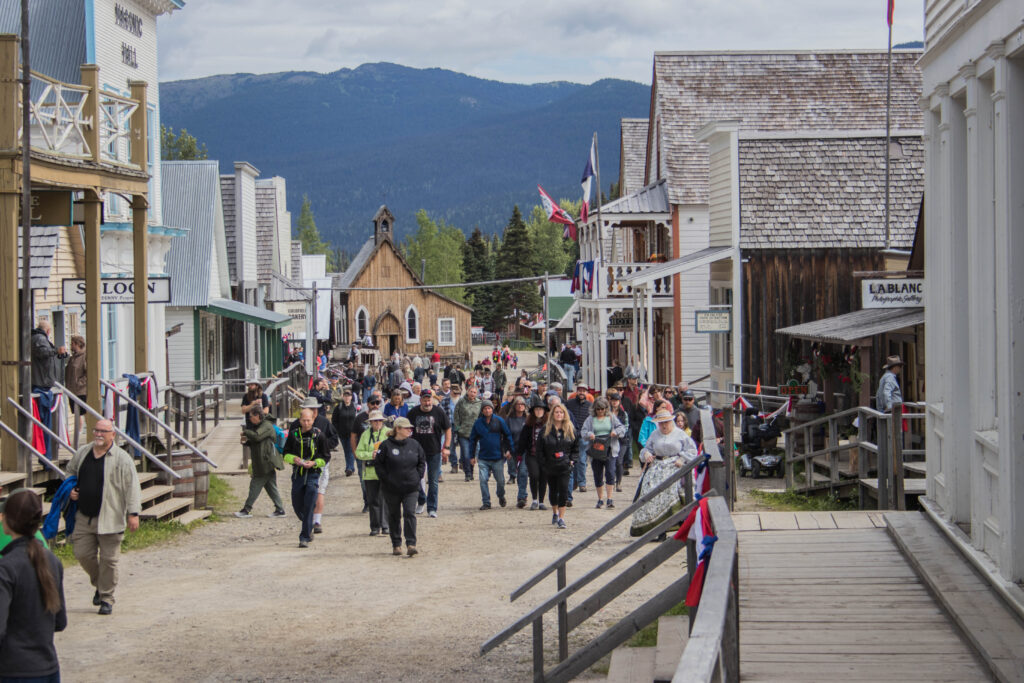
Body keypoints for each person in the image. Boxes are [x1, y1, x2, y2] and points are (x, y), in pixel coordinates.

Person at [67, 418, 141, 614]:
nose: (98, 434)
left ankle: (106, 598)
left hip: (111, 517)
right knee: (82, 554)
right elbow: (70, 473)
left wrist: (133, 514)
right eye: (96, 430)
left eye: (103, 431)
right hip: (84, 516)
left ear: (113, 435)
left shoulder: (122, 459)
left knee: (109, 560)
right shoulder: (83, 453)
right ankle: (100, 586)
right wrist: (71, 490)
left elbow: (132, 487)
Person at [0, 489, 66, 680]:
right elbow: (60, 622)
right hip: (49, 669)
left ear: (9, 521)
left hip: (14, 671)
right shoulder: (52, 560)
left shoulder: (6, 567)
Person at [630, 407, 699, 538]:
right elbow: (645, 449)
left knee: (672, 490)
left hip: (675, 466)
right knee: (648, 490)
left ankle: (676, 523)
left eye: (666, 422)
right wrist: (647, 454)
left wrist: (682, 458)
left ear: (671, 421)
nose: (663, 425)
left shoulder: (680, 434)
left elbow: (692, 450)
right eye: (661, 423)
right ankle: (656, 528)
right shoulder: (655, 434)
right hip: (658, 467)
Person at [373, 417, 426, 556]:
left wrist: (417, 477)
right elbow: (378, 464)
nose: (410, 430)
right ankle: (396, 544)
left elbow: (422, 462)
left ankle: (411, 544)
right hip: (392, 488)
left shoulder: (415, 444)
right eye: (406, 428)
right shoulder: (385, 445)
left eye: (410, 428)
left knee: (409, 513)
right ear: (397, 429)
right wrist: (386, 479)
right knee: (394, 515)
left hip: (411, 487)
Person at [289, 398, 338, 535]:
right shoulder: (295, 425)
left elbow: (334, 439)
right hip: (300, 466)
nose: (314, 411)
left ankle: (316, 521)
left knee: (318, 491)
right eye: (311, 409)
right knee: (299, 494)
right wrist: (294, 458)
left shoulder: (323, 422)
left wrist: (321, 449)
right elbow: (288, 447)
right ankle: (307, 519)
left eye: (315, 409)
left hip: (319, 463)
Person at [283, 408, 330, 548]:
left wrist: (314, 463)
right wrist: (294, 459)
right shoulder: (293, 435)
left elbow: (326, 456)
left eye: (309, 420)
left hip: (313, 474)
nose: (306, 422)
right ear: (299, 420)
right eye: (304, 420)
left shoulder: (319, 436)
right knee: (297, 504)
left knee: (309, 505)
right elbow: (285, 453)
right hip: (298, 473)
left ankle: (304, 537)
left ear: (313, 420)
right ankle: (308, 526)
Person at [407, 389, 451, 518]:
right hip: (416, 451)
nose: (427, 402)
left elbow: (448, 429)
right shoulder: (413, 413)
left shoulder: (438, 412)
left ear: (432, 399)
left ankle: (432, 508)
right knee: (415, 479)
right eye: (425, 399)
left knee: (433, 481)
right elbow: (406, 430)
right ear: (420, 400)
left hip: (434, 451)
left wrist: (446, 447)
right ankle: (421, 500)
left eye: (429, 399)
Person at [235, 410, 286, 518]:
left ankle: (246, 509)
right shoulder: (261, 425)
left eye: (251, 416)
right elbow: (258, 441)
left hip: (266, 462)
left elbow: (257, 436)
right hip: (264, 461)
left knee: (255, 485)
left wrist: (246, 432)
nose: (250, 418)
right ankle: (280, 509)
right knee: (271, 487)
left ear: (257, 415)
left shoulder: (266, 425)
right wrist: (247, 442)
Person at [580, 397, 627, 509]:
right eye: (598, 409)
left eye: (602, 409)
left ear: (606, 408)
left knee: (610, 472)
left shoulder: (611, 417)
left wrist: (615, 432)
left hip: (610, 448)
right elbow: (583, 431)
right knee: (597, 474)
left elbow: (622, 428)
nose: (600, 411)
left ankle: (609, 498)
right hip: (596, 449)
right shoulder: (590, 419)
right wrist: (590, 434)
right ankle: (600, 498)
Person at [539, 404, 578, 528]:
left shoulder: (570, 429)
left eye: (561, 412)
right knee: (553, 491)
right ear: (552, 414)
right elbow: (540, 450)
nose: (559, 414)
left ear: (564, 414)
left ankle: (561, 518)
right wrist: (544, 464)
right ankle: (555, 512)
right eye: (556, 412)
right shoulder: (545, 430)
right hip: (550, 466)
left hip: (564, 466)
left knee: (563, 490)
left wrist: (572, 460)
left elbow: (576, 448)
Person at [470, 401, 513, 510]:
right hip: (483, 457)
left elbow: (508, 435)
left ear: (492, 409)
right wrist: (471, 456)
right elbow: (472, 440)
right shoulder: (478, 423)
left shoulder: (499, 421)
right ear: (482, 410)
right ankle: (486, 502)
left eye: (489, 408)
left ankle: (500, 495)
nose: (487, 410)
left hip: (497, 457)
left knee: (501, 481)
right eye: (485, 408)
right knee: (483, 480)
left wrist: (509, 450)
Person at [355, 411, 389, 536]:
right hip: (370, 472)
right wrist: (371, 455)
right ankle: (375, 527)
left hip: (386, 472)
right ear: (370, 422)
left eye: (379, 420)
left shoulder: (388, 433)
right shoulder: (365, 435)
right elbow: (358, 453)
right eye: (375, 421)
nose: (377, 423)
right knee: (373, 500)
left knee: (386, 500)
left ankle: (386, 526)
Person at [351, 393, 385, 512]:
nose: (375, 405)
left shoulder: (383, 418)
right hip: (364, 454)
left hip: (382, 458)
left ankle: (380, 504)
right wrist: (355, 452)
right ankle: (367, 502)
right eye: (373, 403)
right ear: (368, 404)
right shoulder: (359, 418)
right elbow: (353, 436)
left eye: (377, 403)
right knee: (364, 480)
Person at [515, 403, 549, 511]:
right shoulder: (528, 425)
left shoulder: (549, 425)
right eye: (537, 409)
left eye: (541, 409)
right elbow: (522, 441)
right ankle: (535, 499)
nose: (539, 411)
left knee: (544, 477)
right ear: (533, 412)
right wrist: (519, 454)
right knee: (534, 475)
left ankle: (541, 501)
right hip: (532, 454)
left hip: (545, 456)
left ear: (544, 411)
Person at [564, 382, 593, 498]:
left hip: (583, 436)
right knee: (572, 459)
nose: (581, 392)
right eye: (580, 390)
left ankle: (581, 482)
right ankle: (575, 480)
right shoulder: (569, 404)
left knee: (581, 459)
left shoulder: (590, 406)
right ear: (577, 391)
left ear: (586, 392)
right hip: (571, 435)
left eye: (584, 390)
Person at [499, 396, 528, 504]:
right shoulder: (509, 420)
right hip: (512, 449)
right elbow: (505, 436)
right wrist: (506, 450)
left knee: (523, 472)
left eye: (522, 404)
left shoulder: (528, 419)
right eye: (518, 404)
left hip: (525, 450)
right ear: (514, 406)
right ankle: (523, 494)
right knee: (515, 471)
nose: (520, 406)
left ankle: (521, 496)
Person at [453, 383, 482, 481]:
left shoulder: (479, 403)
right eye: (471, 392)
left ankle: (471, 471)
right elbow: (456, 415)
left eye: (475, 392)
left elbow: (481, 417)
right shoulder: (461, 401)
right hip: (463, 432)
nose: (473, 394)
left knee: (473, 455)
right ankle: (467, 473)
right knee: (465, 454)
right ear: (467, 392)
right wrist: (457, 427)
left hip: (475, 434)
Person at [64, 334, 88, 448]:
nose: (71, 346)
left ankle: (86, 434)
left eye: (72, 344)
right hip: (72, 390)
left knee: (84, 412)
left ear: (77, 344)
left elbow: (87, 374)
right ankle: (78, 436)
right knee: (76, 413)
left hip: (81, 391)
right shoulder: (73, 357)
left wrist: (79, 383)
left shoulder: (84, 356)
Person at [331, 388, 358, 477]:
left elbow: (358, 419)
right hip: (342, 433)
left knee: (351, 450)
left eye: (349, 396)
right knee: (347, 451)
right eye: (345, 396)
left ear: (351, 397)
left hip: (353, 433)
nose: (347, 398)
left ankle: (349, 468)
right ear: (343, 397)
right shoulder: (339, 407)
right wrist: (337, 430)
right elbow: (334, 420)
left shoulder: (354, 407)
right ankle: (351, 467)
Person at [608, 390, 632, 492]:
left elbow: (626, 427)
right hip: (609, 440)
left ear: (619, 401)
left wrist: (617, 433)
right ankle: (611, 481)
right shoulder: (607, 413)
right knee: (610, 462)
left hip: (622, 440)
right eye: (613, 400)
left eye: (616, 400)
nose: (614, 402)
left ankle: (618, 482)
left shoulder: (624, 414)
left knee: (619, 461)